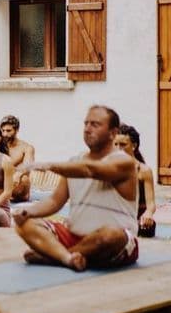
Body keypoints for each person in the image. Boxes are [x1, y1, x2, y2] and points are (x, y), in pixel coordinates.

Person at [12, 105, 139, 272]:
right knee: (24, 224)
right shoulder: (74, 161)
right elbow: (54, 201)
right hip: (74, 236)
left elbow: (90, 170)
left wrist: (48, 165)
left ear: (113, 133)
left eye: (95, 124)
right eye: (86, 124)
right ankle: (68, 258)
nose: (87, 129)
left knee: (110, 235)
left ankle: (54, 256)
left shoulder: (124, 162)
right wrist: (27, 212)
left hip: (115, 241)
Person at [113, 123, 156, 238]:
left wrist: (149, 213)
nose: (118, 149)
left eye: (123, 145)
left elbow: (151, 204)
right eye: (115, 144)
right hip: (116, 216)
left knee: (146, 228)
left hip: (136, 217)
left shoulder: (144, 170)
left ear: (134, 146)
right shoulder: (108, 167)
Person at [0, 115, 36, 202]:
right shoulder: (0, 146)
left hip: (17, 184)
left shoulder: (27, 147)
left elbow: (28, 166)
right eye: (3, 131)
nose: (5, 134)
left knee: (24, 179)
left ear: (17, 130)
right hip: (3, 183)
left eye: (8, 131)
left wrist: (18, 174)